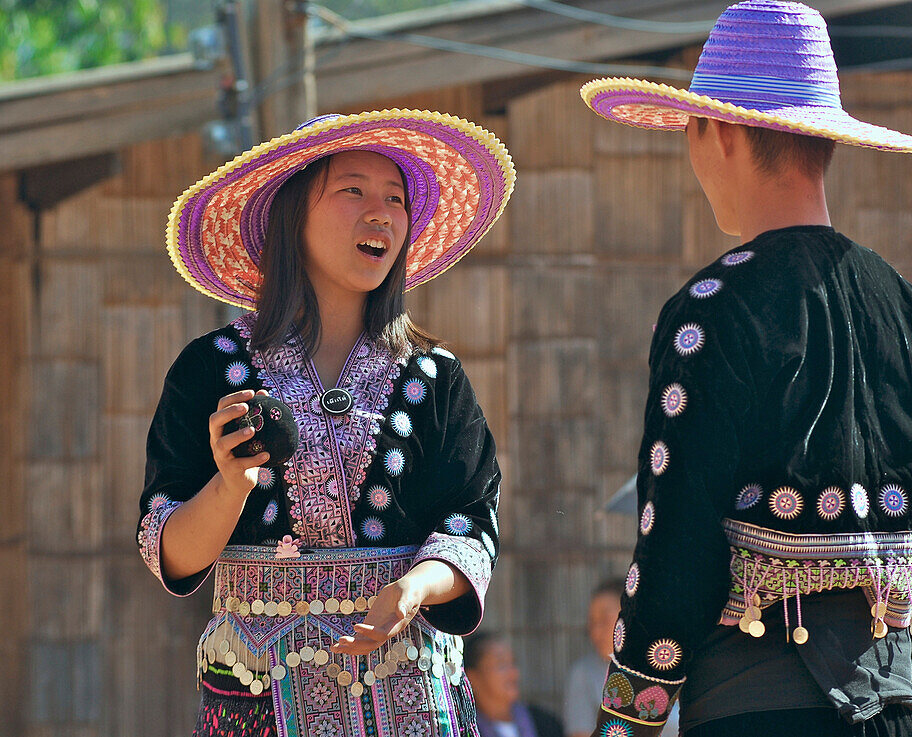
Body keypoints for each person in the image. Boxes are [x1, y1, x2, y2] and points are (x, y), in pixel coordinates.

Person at [579, 3, 912, 736]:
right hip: (896, 713)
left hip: (760, 715)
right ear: (825, 142)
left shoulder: (712, 311)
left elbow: (676, 553)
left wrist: (624, 724)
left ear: (713, 131)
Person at [137, 110, 515, 737]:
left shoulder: (436, 377)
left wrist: (414, 588)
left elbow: (472, 522)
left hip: (411, 696)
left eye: (395, 199)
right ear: (293, 215)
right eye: (353, 190)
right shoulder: (208, 371)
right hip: (258, 695)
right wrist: (231, 485)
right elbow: (170, 553)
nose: (381, 213)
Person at [564, 580, 679, 737]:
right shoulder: (585, 673)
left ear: (633, 614)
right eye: (592, 623)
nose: (595, 632)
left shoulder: (672, 661)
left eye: (604, 620)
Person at [466, 631, 564, 737]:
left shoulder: (546, 725)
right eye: (501, 665)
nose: (514, 673)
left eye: (513, 663)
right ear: (472, 677)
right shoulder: (461, 730)